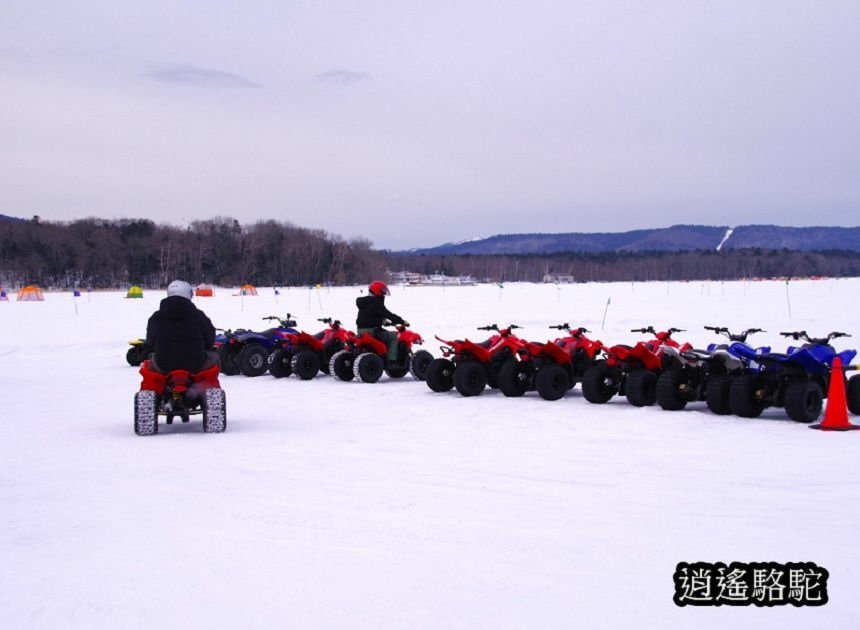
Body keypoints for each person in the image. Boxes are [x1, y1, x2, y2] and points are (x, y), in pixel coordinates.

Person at [144, 280, 218, 373]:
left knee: (150, 359)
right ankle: (209, 385)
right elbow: (210, 338)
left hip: (163, 365)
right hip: (195, 365)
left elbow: (150, 342)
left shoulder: (156, 317)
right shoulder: (199, 316)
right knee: (214, 356)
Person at [356, 281, 407, 363]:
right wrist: (401, 321)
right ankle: (392, 361)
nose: (383, 294)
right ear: (377, 291)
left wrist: (381, 321)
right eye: (383, 291)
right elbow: (388, 314)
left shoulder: (364, 302)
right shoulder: (376, 302)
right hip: (373, 331)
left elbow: (369, 316)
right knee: (393, 337)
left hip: (360, 331)